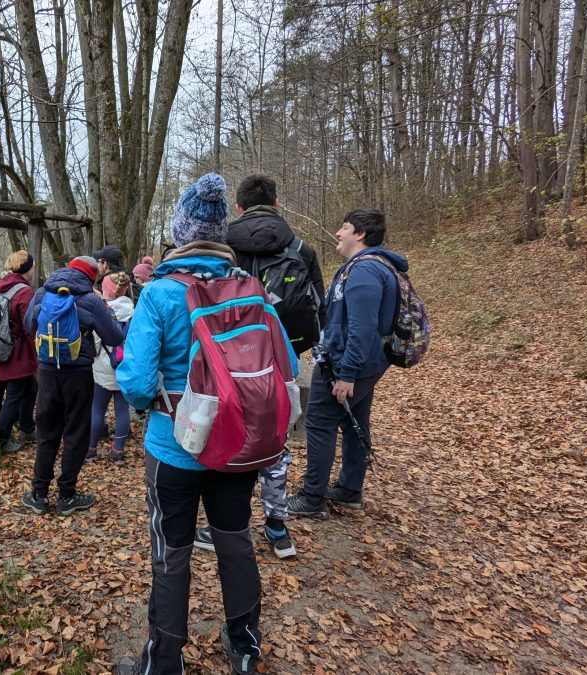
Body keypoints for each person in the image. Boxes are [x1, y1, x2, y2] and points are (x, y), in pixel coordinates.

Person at [116, 173, 266, 675]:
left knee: (172, 553)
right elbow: (282, 362)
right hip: (240, 448)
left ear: (181, 233)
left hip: (173, 448)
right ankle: (245, 647)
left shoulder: (159, 295)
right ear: (221, 234)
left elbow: (135, 381)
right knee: (235, 540)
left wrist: (155, 401)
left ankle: (164, 663)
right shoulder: (252, 291)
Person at [195, 173, 327, 560]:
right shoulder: (301, 248)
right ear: (276, 202)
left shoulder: (222, 247)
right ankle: (276, 524)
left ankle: (224, 523)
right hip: (279, 360)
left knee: (227, 433)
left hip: (226, 362)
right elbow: (318, 309)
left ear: (238, 206)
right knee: (275, 442)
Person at [287, 208, 406, 519]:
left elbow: (362, 328)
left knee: (319, 422)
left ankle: (313, 498)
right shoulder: (371, 267)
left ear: (361, 234)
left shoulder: (365, 272)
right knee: (355, 425)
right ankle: (349, 490)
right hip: (360, 364)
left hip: (349, 366)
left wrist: (347, 373)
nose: (338, 233)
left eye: (344, 228)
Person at [22, 256, 124, 517]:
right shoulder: (91, 300)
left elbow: (28, 326)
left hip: (46, 372)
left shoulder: (42, 293)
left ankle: (38, 494)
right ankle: (67, 495)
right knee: (76, 433)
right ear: (92, 277)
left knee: (46, 430)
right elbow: (114, 336)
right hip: (78, 374)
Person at [87, 271, 134, 466]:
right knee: (122, 411)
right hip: (125, 367)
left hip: (103, 367)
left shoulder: (102, 311)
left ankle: (91, 450)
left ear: (107, 290)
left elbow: (96, 342)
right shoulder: (134, 310)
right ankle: (118, 452)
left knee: (97, 409)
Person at [0, 251, 38, 455]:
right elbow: (30, 327)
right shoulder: (25, 292)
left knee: (31, 388)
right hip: (18, 354)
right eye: (33, 265)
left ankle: (26, 426)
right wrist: (37, 352)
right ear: (27, 268)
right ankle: (1, 440)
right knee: (14, 397)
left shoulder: (3, 287)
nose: (34, 268)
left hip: (4, 348)